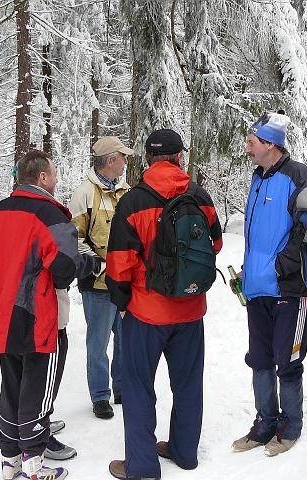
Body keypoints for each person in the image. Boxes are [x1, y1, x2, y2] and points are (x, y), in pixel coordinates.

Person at [0, 149, 99, 480]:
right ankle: (34, 467)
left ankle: (10, 461)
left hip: (2, 315)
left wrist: (5, 264)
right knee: (39, 390)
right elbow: (64, 268)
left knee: (11, 386)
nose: (57, 179)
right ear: (42, 177)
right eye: (54, 173)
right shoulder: (50, 215)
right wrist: (92, 263)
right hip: (40, 318)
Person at [105, 129, 222, 479]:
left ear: (148, 158)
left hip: (146, 312)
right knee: (188, 384)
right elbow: (214, 246)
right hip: (190, 310)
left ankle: (142, 467)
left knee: (139, 387)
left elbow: (119, 262)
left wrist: (121, 300)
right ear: (178, 157)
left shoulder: (133, 201)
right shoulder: (199, 196)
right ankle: (185, 452)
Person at [231, 111, 307, 457]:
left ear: (270, 144)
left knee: (287, 361)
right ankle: (265, 422)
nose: (247, 149)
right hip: (257, 288)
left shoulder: (297, 176)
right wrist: (249, 271)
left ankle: (290, 427)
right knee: (260, 359)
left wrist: (280, 267)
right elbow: (260, 236)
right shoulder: (257, 177)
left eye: (251, 143)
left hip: (288, 290)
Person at [69, 136, 132, 419]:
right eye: (122, 157)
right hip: (97, 284)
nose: (126, 162)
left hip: (126, 283)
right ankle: (100, 395)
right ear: (110, 161)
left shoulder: (127, 192)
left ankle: (121, 387)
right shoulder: (84, 194)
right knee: (98, 342)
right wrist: (98, 265)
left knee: (126, 339)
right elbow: (73, 238)